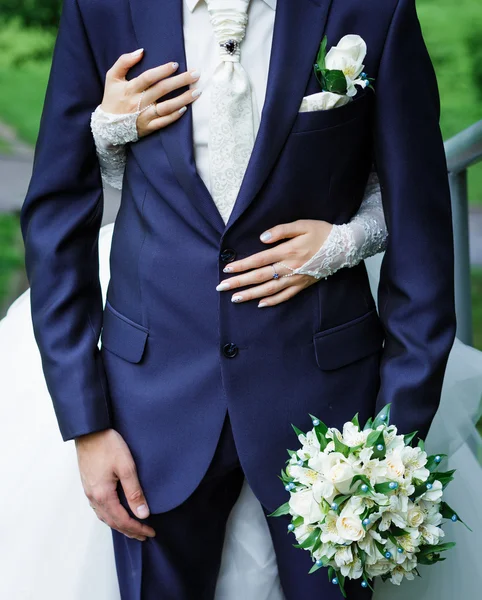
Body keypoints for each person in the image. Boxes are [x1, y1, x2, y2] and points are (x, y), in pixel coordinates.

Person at [17, 0, 457, 597]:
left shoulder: (374, 10)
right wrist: (87, 426)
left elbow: (421, 226)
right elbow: (56, 216)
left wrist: (393, 443)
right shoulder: (101, 10)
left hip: (330, 409)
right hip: (151, 406)